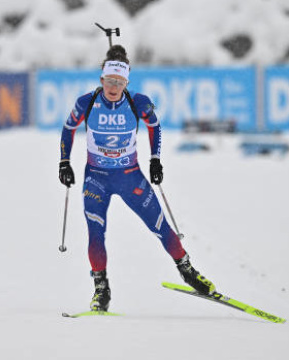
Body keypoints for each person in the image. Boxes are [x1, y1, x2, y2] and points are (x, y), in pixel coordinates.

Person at [58, 45, 216, 312]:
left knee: (160, 226)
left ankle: (188, 271)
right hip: (96, 178)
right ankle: (101, 289)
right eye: (109, 80)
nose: (114, 86)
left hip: (130, 177)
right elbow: (68, 128)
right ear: (102, 79)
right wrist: (64, 162)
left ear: (126, 82)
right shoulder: (86, 102)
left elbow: (154, 125)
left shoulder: (138, 102)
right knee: (96, 233)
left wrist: (155, 159)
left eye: (119, 81)